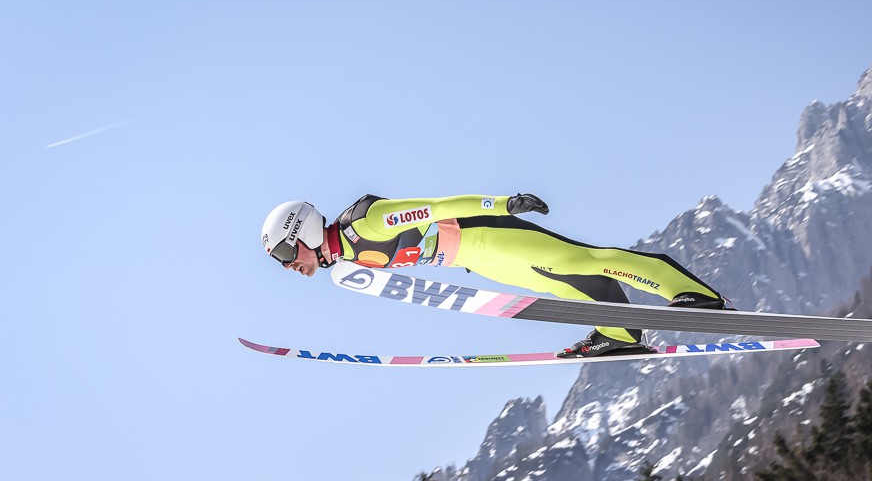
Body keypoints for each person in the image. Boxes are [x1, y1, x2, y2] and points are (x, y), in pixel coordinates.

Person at [259, 193, 731, 357]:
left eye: (285, 252)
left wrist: (503, 204)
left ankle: (690, 292)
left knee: (580, 260)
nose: (289, 266)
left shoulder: (368, 222)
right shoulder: (345, 256)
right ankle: (620, 333)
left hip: (484, 233)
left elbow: (438, 207)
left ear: (303, 230)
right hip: (474, 259)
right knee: (559, 283)